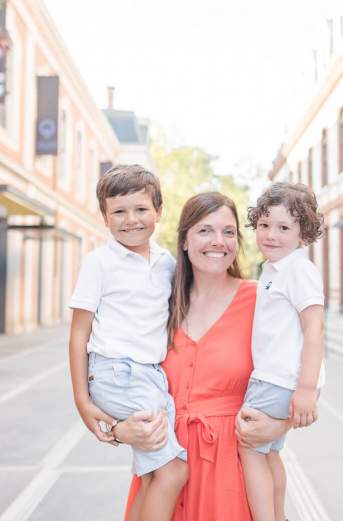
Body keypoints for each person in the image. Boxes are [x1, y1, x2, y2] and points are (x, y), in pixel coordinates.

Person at [116, 192, 293, 521]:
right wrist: (116, 427)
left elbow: (306, 375)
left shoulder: (264, 299)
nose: (218, 241)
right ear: (184, 241)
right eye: (205, 230)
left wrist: (282, 423)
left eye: (228, 232)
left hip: (232, 473)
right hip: (164, 469)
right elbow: (111, 367)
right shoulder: (158, 302)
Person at [68, 164, 188, 521]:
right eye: (118, 211)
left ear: (159, 213)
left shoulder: (166, 261)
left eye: (141, 209)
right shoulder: (99, 263)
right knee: (174, 471)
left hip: (151, 375)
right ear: (104, 217)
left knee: (152, 473)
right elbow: (78, 335)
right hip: (117, 372)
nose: (130, 219)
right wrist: (81, 401)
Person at [239, 182, 326, 521]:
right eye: (264, 225)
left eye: (283, 227)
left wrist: (307, 389)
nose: (270, 235)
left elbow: (314, 329)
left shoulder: (298, 269)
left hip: (279, 380)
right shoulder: (273, 270)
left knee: (249, 449)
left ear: (303, 235)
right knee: (269, 455)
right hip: (275, 378)